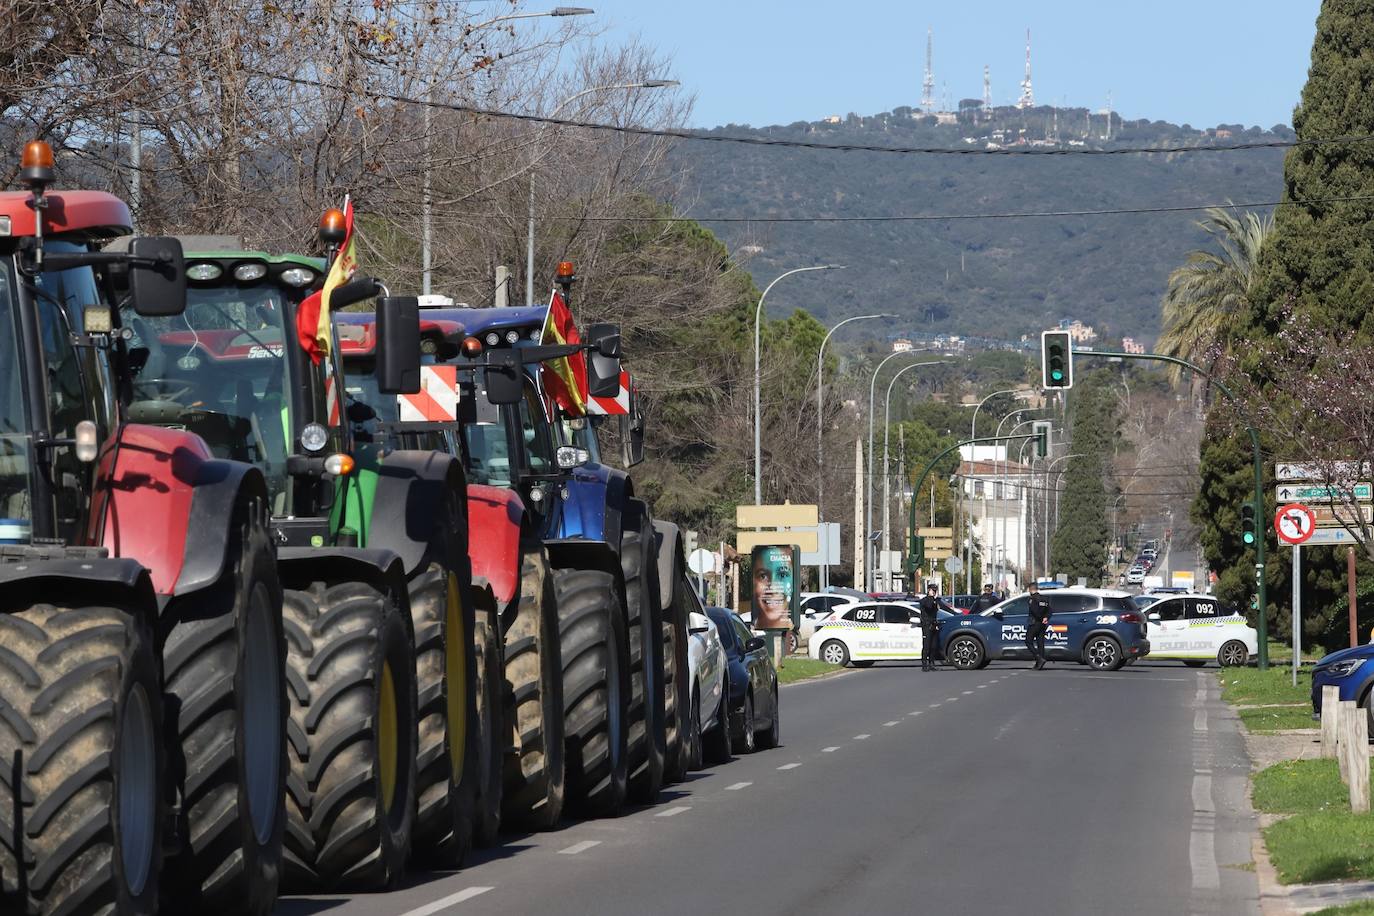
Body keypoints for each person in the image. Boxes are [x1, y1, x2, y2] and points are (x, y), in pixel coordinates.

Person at [919, 585, 952, 671]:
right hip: (926, 625)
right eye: (932, 590)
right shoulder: (924, 600)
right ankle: (924, 665)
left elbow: (943, 608)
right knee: (926, 646)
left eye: (935, 590)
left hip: (934, 624)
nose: (934, 592)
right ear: (928, 590)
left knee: (933, 646)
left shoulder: (935, 600)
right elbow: (929, 607)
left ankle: (931, 664)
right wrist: (931, 597)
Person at [1026, 582, 1053, 670]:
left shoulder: (1032, 599)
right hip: (1043, 624)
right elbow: (1050, 610)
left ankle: (1038, 658)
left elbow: (1035, 611)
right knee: (1040, 643)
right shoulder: (1044, 599)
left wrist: (1041, 618)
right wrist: (1046, 617)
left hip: (1034, 623)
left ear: (1030, 589)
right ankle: (1039, 664)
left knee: (1028, 641)